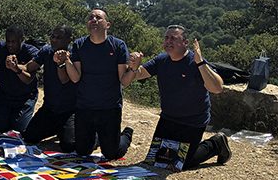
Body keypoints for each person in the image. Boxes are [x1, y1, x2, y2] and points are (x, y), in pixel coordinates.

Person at [129, 25, 230, 169]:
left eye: (173, 38)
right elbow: (139, 74)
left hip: (193, 121)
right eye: (166, 38)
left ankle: (215, 144)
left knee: (181, 163)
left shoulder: (195, 62)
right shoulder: (161, 60)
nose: (168, 41)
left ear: (185, 43)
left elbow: (217, 88)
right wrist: (134, 66)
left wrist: (200, 62)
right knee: (159, 159)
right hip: (168, 118)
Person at [64, 9, 136, 160]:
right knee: (82, 152)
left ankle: (127, 134)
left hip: (109, 108)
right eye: (91, 18)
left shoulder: (118, 46)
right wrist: (66, 61)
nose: (94, 20)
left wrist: (134, 67)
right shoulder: (79, 44)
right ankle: (97, 135)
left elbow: (124, 81)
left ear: (107, 25)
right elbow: (75, 78)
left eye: (98, 17)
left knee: (111, 154)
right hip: (85, 107)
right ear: (87, 24)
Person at [23, 25, 78, 152]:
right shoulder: (46, 51)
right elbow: (29, 67)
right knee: (29, 137)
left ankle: (96, 135)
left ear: (69, 40)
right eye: (52, 36)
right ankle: (57, 128)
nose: (54, 40)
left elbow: (64, 80)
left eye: (59, 38)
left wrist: (61, 63)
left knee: (69, 146)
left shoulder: (75, 55)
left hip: (69, 110)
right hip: (49, 108)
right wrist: (15, 66)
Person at [0, 26, 39, 134]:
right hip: (5, 95)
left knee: (18, 131)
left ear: (22, 39)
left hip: (25, 97)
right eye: (8, 41)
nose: (10, 45)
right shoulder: (0, 49)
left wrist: (16, 69)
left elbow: (29, 79)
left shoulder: (31, 52)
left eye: (14, 42)